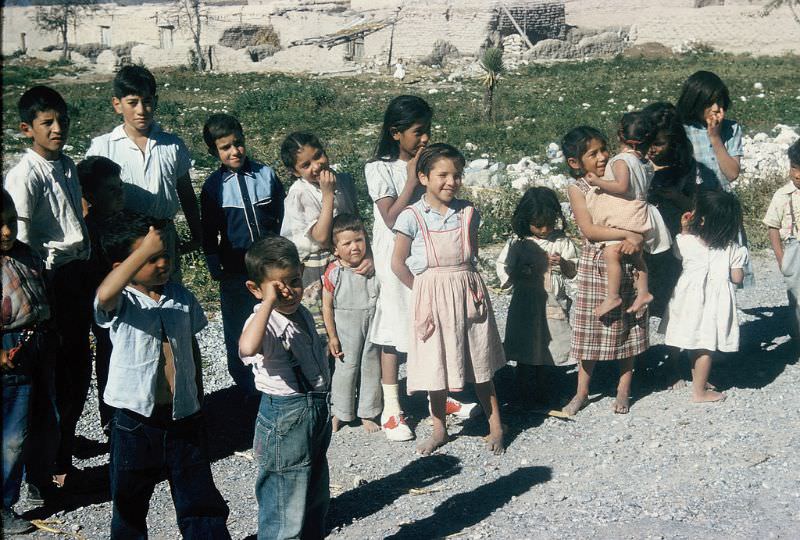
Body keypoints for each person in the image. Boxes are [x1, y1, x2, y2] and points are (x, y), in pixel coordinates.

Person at [95, 212, 230, 538]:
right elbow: (104, 294)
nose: (161, 263)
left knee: (197, 493)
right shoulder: (122, 302)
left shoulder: (181, 297)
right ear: (122, 267)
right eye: (150, 258)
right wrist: (141, 253)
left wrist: (197, 397)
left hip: (183, 415)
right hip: (134, 421)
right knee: (130, 498)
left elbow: (191, 350)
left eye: (163, 255)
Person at [366, 95, 476, 442]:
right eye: (418, 132)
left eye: (428, 130)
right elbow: (390, 216)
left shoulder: (428, 163)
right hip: (395, 257)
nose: (425, 138)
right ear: (395, 133)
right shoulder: (379, 168)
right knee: (395, 330)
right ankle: (392, 409)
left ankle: (439, 399)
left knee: (431, 324)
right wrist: (413, 178)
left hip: (426, 255)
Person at [4, 85, 92, 494]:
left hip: (76, 274)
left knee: (77, 367)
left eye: (62, 120)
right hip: (48, 281)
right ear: (27, 129)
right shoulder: (25, 174)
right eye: (47, 123)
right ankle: (47, 464)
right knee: (53, 374)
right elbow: (16, 238)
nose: (58, 129)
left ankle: (63, 443)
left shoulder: (67, 165)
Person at [391, 143, 506, 455]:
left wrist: (464, 285)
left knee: (479, 361)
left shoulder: (468, 213)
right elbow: (397, 263)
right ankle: (439, 427)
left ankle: (496, 424)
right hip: (431, 297)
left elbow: (472, 254)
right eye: (442, 174)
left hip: (468, 294)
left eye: (456, 175)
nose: (451, 181)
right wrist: (424, 291)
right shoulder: (411, 216)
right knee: (435, 364)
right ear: (424, 177)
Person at [239, 236, 331, 539]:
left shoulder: (300, 312)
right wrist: (267, 302)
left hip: (314, 412)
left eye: (294, 281)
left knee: (315, 498)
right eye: (278, 287)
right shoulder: (264, 322)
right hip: (284, 418)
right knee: (283, 507)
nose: (288, 292)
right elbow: (248, 347)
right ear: (256, 289)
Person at [561, 126, 649, 416]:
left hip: (626, 258)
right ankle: (582, 392)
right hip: (596, 261)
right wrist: (630, 234)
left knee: (629, 323)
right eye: (593, 153)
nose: (602, 157)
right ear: (575, 162)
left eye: (603, 150)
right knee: (589, 328)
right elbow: (588, 229)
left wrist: (634, 237)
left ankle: (624, 388)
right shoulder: (578, 187)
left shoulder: (616, 176)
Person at [86, 64, 202, 280]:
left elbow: (186, 193)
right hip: (123, 240)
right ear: (117, 105)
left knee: (168, 292)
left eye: (147, 101)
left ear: (155, 102)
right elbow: (87, 198)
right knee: (129, 298)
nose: (141, 110)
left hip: (163, 234)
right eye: (132, 103)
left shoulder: (172, 145)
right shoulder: (103, 146)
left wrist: (197, 234)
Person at [200, 113, 285, 395]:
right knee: (238, 329)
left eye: (238, 144)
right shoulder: (213, 188)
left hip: (269, 266)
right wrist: (214, 264)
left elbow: (281, 217)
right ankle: (247, 389)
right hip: (235, 270)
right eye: (225, 148)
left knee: (275, 319)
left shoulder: (266, 175)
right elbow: (209, 230)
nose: (234, 151)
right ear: (214, 151)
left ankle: (280, 379)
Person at [1, 191, 56, 535]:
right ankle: (3, 505)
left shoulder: (27, 254)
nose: (6, 232)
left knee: (46, 420)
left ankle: (40, 482)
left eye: (9, 223)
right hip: (9, 351)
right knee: (11, 433)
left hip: (39, 342)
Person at [279, 131, 368, 337]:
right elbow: (320, 237)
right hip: (316, 265)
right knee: (323, 326)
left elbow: (354, 218)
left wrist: (367, 253)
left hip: (345, 255)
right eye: (306, 165)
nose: (316, 166)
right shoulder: (300, 192)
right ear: (295, 171)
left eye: (318, 156)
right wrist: (327, 194)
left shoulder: (342, 180)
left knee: (348, 316)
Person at [661, 191, 748, 402]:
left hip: (685, 300)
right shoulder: (733, 249)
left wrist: (684, 230)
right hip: (714, 305)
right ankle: (699, 391)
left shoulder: (686, 241)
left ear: (701, 220)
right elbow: (737, 278)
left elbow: (677, 254)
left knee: (679, 333)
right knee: (705, 344)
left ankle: (672, 370)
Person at [583, 112, 672, 317]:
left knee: (611, 252)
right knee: (635, 256)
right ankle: (643, 291)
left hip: (626, 214)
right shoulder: (646, 164)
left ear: (619, 136)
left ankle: (612, 296)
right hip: (639, 211)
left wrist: (597, 182)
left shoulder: (622, 160)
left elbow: (622, 187)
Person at [495, 187, 578, 407]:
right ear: (526, 220)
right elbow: (504, 267)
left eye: (549, 223)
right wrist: (522, 270)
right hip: (526, 302)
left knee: (551, 344)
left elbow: (573, 271)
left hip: (553, 302)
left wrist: (562, 263)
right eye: (538, 224)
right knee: (525, 345)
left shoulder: (560, 241)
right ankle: (523, 391)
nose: (544, 229)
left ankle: (548, 390)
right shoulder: (519, 242)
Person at [77, 156, 126, 435]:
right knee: (109, 357)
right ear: (91, 196)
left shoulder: (128, 223)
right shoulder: (88, 232)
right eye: (111, 189)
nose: (120, 193)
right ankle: (111, 417)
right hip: (104, 311)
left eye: (121, 186)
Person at [321, 214, 382, 433]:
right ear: (336, 249)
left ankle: (369, 411)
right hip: (346, 328)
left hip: (373, 323)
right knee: (346, 368)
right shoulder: (334, 272)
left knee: (371, 367)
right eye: (347, 243)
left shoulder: (374, 267)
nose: (355, 247)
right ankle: (341, 412)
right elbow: (326, 306)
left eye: (359, 240)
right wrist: (332, 336)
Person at [642, 102, 697, 318]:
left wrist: (675, 196)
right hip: (643, 241)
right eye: (648, 143)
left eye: (659, 143)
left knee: (674, 299)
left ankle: (677, 348)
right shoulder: (637, 164)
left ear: (673, 141)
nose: (652, 150)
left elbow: (695, 207)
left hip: (674, 240)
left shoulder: (684, 167)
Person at [676, 70, 743, 192]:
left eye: (719, 101)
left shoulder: (731, 128)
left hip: (721, 198)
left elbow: (732, 174)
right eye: (709, 103)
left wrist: (715, 137)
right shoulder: (681, 129)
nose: (716, 108)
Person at [763, 139, 800, 342]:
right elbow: (773, 227)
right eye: (794, 168)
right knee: (796, 295)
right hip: (794, 251)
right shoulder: (782, 195)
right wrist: (780, 257)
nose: (797, 174)